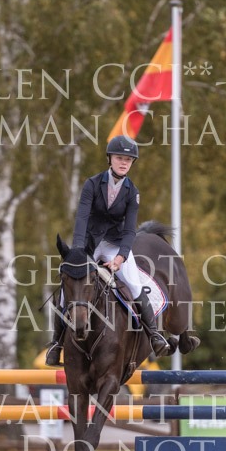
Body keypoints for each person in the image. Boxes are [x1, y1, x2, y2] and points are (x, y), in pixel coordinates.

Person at [46, 135, 171, 365]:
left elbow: (130, 230)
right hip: (90, 244)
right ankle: (56, 343)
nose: (124, 162)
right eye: (119, 158)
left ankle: (154, 335)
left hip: (116, 245)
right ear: (110, 159)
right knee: (69, 285)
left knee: (134, 285)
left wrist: (121, 257)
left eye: (128, 159)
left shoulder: (132, 192)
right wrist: (78, 252)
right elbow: (82, 219)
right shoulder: (92, 184)